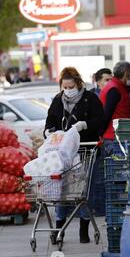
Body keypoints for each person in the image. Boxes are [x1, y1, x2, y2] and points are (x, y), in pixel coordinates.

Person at [44, 67, 105, 244]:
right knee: (62, 190)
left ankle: (83, 229)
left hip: (86, 150)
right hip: (64, 153)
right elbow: (50, 121)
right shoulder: (57, 101)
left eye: (71, 86)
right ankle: (58, 227)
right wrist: (48, 132)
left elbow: (100, 120)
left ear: (78, 84)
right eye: (65, 87)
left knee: (85, 191)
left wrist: (84, 125)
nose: (68, 90)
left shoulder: (90, 99)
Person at [99, 62, 130, 156]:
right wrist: (100, 134)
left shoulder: (117, 86)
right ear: (126, 73)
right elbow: (107, 114)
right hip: (114, 138)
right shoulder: (115, 89)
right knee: (118, 167)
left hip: (116, 136)